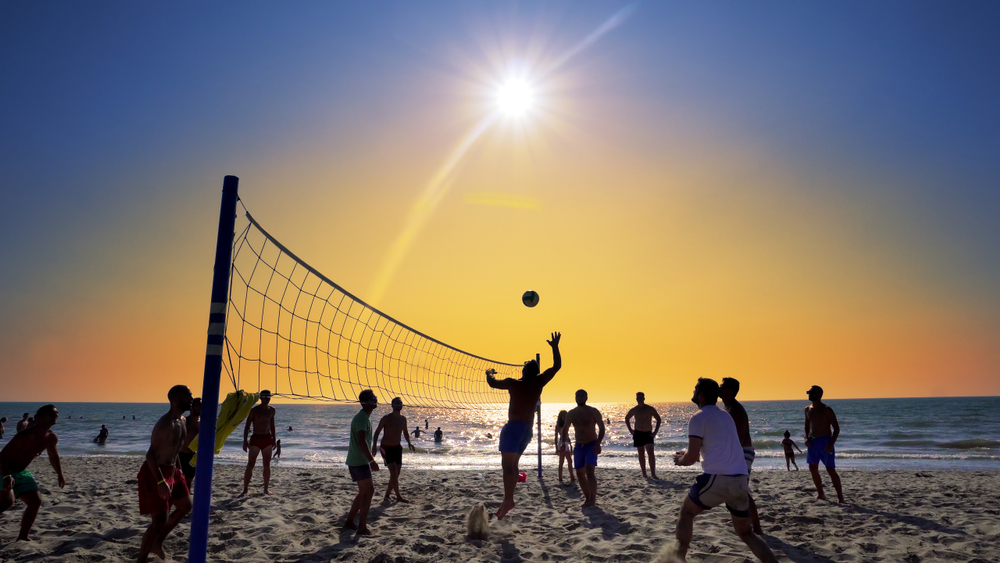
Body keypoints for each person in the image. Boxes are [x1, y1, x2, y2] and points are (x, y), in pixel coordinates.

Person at [670, 379, 777, 563]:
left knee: (686, 513)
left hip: (717, 479)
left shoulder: (698, 417)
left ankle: (679, 559)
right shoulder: (725, 416)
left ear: (701, 395)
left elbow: (690, 459)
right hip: (740, 479)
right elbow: (715, 450)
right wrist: (689, 454)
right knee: (746, 532)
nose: (693, 392)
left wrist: (680, 460)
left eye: (695, 389)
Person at [486, 331, 561, 520]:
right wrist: (555, 347)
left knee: (508, 467)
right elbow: (557, 366)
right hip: (528, 431)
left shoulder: (514, 384)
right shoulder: (538, 383)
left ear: (525, 370)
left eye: (526, 363)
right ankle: (508, 500)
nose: (525, 363)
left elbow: (492, 384)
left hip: (513, 429)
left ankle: (508, 500)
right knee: (514, 466)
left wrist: (488, 374)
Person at [137, 386, 192, 562]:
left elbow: (175, 450)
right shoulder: (165, 424)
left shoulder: (183, 420)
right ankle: (141, 560)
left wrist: (179, 471)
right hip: (156, 472)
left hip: (174, 470)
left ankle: (157, 543)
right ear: (175, 399)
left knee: (185, 507)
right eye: (188, 396)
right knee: (159, 520)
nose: (191, 399)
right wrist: (161, 481)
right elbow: (150, 454)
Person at [0, 405, 66, 541]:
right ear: (40, 418)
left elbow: (53, 456)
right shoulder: (24, 435)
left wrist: (60, 474)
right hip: (3, 469)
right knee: (7, 501)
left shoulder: (51, 437)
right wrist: (7, 476)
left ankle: (23, 536)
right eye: (51, 414)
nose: (56, 415)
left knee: (35, 501)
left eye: (57, 413)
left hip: (21, 472)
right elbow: (2, 457)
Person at [719, 378, 762, 535]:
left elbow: (740, 438)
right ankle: (742, 520)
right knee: (735, 490)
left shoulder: (735, 410)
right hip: (738, 453)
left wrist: (727, 455)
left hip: (741, 453)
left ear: (730, 390)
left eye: (722, 387)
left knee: (742, 490)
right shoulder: (727, 408)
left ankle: (757, 528)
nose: (719, 389)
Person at [344, 389, 380, 535]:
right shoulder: (361, 418)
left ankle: (349, 521)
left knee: (364, 492)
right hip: (359, 461)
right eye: (373, 397)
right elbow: (361, 442)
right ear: (366, 402)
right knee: (369, 491)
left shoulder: (366, 417)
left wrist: (372, 449)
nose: (375, 399)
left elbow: (364, 440)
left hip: (358, 460)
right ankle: (362, 526)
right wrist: (372, 461)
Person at [561, 390, 605, 508]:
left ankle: (593, 500)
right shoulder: (571, 413)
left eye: (582, 395)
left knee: (589, 471)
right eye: (577, 395)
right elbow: (565, 429)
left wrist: (598, 443)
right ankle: (587, 498)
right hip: (579, 446)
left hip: (591, 444)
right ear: (575, 398)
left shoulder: (593, 411)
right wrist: (563, 442)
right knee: (580, 473)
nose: (579, 397)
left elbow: (602, 428)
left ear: (586, 397)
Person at [804, 385, 844, 502]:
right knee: (813, 468)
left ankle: (840, 497)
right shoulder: (807, 409)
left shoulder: (827, 409)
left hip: (825, 441)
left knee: (830, 469)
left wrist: (831, 444)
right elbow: (806, 426)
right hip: (813, 442)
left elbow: (836, 428)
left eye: (811, 393)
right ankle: (821, 494)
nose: (809, 395)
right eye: (809, 393)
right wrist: (806, 438)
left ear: (818, 394)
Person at [372, 397, 416, 503]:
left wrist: (409, 443)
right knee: (394, 472)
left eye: (400, 403)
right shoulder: (386, 418)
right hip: (386, 448)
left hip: (397, 448)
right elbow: (377, 432)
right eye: (396, 403)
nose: (399, 405)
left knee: (396, 474)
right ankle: (398, 496)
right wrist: (374, 446)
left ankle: (387, 495)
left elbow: (405, 432)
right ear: (392, 405)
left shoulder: (403, 419)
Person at [241, 390, 276, 496]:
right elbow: (247, 426)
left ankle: (266, 489)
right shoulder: (254, 411)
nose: (267, 399)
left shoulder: (272, 410)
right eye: (265, 397)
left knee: (267, 464)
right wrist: (245, 440)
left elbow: (272, 425)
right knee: (251, 464)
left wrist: (274, 439)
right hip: (256, 438)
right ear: (261, 398)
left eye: (268, 397)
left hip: (267, 438)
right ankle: (245, 489)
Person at [625, 392, 661, 479]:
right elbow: (627, 418)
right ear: (636, 399)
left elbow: (658, 419)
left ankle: (653, 473)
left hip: (648, 433)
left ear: (644, 398)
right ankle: (644, 473)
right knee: (641, 453)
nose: (640, 399)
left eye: (641, 397)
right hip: (638, 433)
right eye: (638, 398)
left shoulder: (650, 409)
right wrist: (630, 430)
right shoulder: (634, 409)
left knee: (650, 453)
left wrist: (655, 432)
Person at [179, 397, 201, 486]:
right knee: (178, 481)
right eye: (198, 405)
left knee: (189, 481)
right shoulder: (184, 421)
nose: (201, 408)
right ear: (192, 407)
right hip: (181, 455)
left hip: (193, 456)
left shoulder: (202, 423)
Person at [554, 410, 574, 483]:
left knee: (569, 461)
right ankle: (561, 477)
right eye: (564, 416)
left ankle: (571, 476)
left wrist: (571, 445)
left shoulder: (566, 425)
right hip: (562, 443)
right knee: (562, 461)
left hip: (566, 442)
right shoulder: (559, 426)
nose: (565, 418)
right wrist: (556, 447)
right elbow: (556, 437)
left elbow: (567, 436)